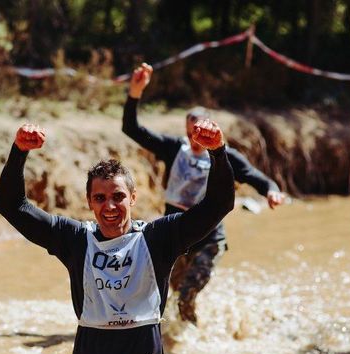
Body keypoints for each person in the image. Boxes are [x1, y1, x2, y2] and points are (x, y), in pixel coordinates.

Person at [0, 119, 235, 354]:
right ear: (90, 202)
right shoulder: (74, 239)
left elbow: (219, 202)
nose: (110, 206)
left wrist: (218, 151)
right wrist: (19, 152)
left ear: (133, 199)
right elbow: (11, 205)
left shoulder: (160, 237)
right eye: (100, 198)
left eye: (118, 196)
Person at [122, 62, 285, 329]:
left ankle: (193, 340)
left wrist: (271, 190)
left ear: (210, 129)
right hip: (177, 235)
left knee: (186, 295)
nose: (194, 139)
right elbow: (132, 129)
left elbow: (253, 175)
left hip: (209, 239)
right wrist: (135, 93)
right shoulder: (175, 149)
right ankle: (174, 332)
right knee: (172, 296)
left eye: (199, 132)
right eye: (189, 132)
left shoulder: (224, 156)